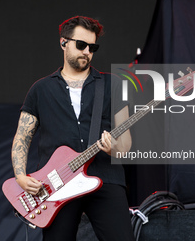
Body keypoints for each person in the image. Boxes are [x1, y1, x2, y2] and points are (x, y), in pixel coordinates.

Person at [11, 16, 134, 241]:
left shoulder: (112, 84)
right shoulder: (41, 89)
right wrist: (20, 176)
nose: (86, 51)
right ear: (63, 43)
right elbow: (22, 137)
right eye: (81, 45)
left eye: (92, 47)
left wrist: (113, 148)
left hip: (105, 178)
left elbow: (125, 146)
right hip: (56, 185)